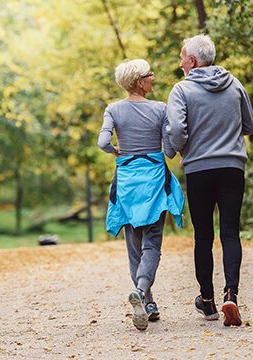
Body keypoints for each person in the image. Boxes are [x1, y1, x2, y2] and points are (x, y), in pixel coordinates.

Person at [167, 34, 253, 326]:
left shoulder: (181, 90)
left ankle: (207, 303)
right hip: (232, 167)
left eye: (182, 58)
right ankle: (231, 293)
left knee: (203, 235)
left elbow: (177, 131)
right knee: (230, 232)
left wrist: (184, 148)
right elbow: (250, 125)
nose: (180, 63)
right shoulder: (235, 84)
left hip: (199, 170)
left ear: (192, 61)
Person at [98, 59, 185, 331]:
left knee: (134, 245)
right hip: (154, 183)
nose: (153, 78)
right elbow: (170, 152)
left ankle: (147, 302)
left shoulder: (113, 109)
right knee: (153, 243)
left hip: (126, 183)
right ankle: (142, 289)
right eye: (150, 75)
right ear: (139, 82)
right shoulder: (160, 109)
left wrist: (117, 152)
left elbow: (102, 142)